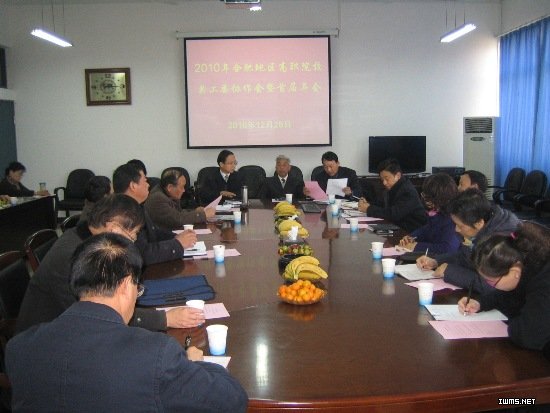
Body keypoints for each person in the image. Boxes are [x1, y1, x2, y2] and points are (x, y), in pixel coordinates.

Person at [7, 233, 248, 412]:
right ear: (125, 286)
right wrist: (196, 363)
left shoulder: (19, 348)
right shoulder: (156, 354)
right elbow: (232, 401)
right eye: (137, 288)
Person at [15, 194, 204, 334]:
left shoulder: (87, 240)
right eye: (133, 235)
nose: (134, 241)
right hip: (48, 343)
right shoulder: (76, 257)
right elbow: (103, 312)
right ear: (114, 229)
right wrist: (165, 318)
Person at [458, 221, 550, 352]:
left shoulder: (544, 281)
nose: (491, 286)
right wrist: (481, 303)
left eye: (491, 282)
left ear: (514, 272)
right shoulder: (524, 260)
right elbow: (510, 294)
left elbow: (528, 337)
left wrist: (509, 322)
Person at [417, 188, 520, 293]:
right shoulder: (484, 222)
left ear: (479, 223)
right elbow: (465, 256)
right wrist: (436, 261)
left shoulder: (501, 241)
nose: (456, 229)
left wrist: (451, 272)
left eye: (460, 226)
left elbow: (493, 285)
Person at [113, 162, 197, 265]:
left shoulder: (137, 206)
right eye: (145, 181)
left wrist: (177, 237)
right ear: (133, 186)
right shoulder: (124, 214)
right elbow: (143, 254)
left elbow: (154, 232)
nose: (148, 184)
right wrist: (178, 244)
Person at [399, 173, 461, 254]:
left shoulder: (453, 218)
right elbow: (427, 229)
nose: (425, 198)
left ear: (441, 197)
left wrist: (417, 246)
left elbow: (448, 248)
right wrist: (411, 237)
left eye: (429, 196)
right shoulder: (437, 212)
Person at [358, 158, 426, 232]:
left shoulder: (407, 191)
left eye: (387, 179)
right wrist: (367, 204)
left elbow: (393, 214)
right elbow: (381, 204)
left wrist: (368, 209)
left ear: (398, 175)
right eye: (382, 180)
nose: (384, 183)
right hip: (397, 228)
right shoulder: (393, 187)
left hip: (413, 232)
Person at [145, 167, 215, 229]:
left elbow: (178, 212)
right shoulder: (158, 198)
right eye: (182, 187)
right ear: (170, 187)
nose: (184, 190)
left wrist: (196, 211)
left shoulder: (166, 192)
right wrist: (203, 215)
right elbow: (177, 219)